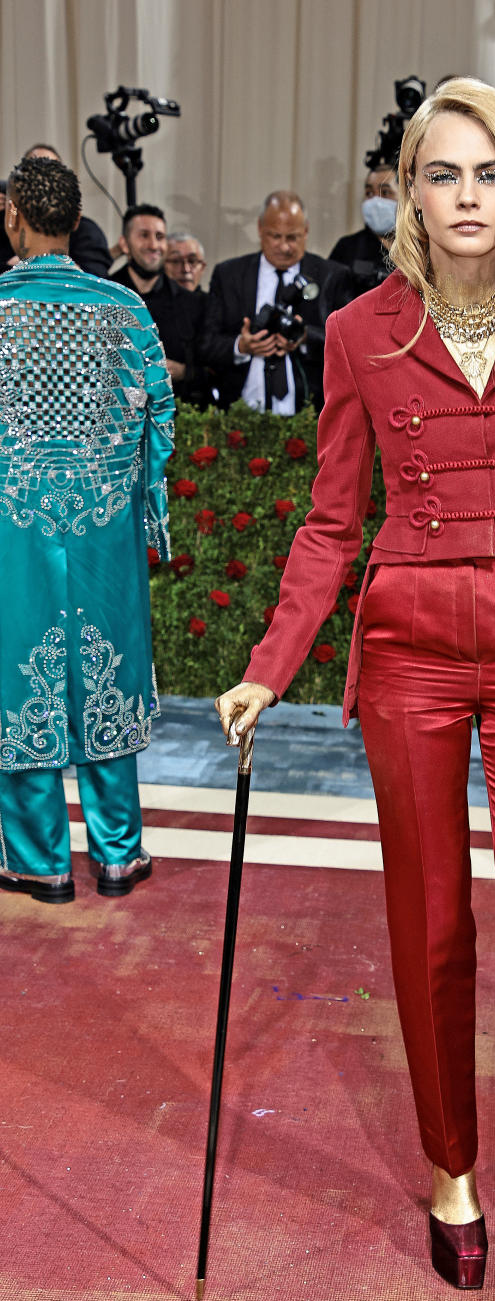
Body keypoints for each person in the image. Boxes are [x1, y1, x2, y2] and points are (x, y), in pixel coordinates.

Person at [214, 78, 495, 1301]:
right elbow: (329, 518)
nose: (467, 197)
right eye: (441, 174)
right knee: (426, 927)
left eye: (487, 173)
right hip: (406, 641)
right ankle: (453, 1175)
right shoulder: (359, 332)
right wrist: (271, 660)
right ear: (410, 190)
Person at [0, 157, 174, 903]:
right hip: (102, 526)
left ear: (12, 216)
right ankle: (117, 853)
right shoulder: (125, 310)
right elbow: (160, 420)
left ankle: (38, 862)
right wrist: (140, 502)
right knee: (105, 672)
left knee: (18, 674)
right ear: (76, 223)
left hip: (13, 524)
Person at [203, 190, 354, 413]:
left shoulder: (332, 276)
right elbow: (205, 344)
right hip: (241, 415)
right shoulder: (229, 275)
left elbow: (350, 344)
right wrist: (241, 346)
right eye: (275, 236)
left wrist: (304, 337)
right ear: (260, 229)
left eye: (292, 237)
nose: (284, 247)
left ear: (306, 231)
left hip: (312, 416)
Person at [113, 204, 210, 405]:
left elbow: (213, 370)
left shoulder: (193, 303)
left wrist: (184, 372)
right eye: (144, 235)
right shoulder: (104, 297)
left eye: (159, 237)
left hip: (177, 420)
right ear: (124, 244)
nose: (154, 245)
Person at [0, 143, 112, 276]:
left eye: (52, 171)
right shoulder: (121, 297)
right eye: (34, 172)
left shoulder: (88, 234)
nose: (43, 181)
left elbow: (97, 273)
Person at [329, 163, 399, 293]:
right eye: (369, 193)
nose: (375, 201)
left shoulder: (421, 248)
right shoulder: (347, 248)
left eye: (385, 192)